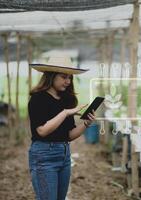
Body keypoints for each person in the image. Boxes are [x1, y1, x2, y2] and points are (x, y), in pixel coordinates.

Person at [28, 55, 95, 200]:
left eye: (70, 77)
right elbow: (42, 131)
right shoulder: (38, 99)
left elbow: (69, 135)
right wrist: (65, 113)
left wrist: (85, 124)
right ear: (51, 76)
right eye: (63, 77)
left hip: (64, 154)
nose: (68, 81)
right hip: (44, 155)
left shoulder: (67, 99)